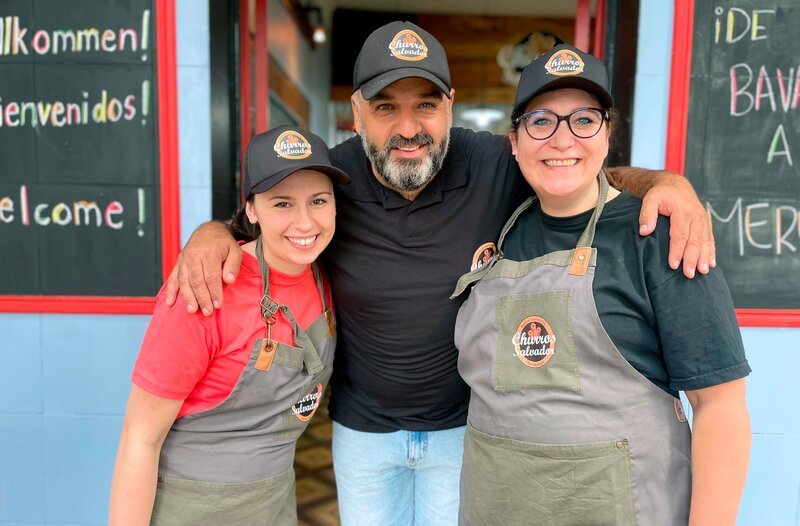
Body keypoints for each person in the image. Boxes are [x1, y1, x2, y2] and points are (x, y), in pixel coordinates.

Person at [164, 22, 717, 525]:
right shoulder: (330, 179)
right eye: (385, 108)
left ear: (449, 106)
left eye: (425, 105)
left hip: (464, 430)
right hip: (361, 431)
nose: (409, 128)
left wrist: (670, 184)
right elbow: (257, 223)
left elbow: (583, 169)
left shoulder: (498, 163)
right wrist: (206, 236)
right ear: (357, 114)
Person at [451, 44, 751, 525]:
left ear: (607, 133)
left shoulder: (659, 235)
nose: (562, 140)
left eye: (584, 120)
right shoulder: (497, 225)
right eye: (541, 121)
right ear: (514, 140)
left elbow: (720, 405)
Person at [109, 126, 350, 525]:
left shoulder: (326, 274)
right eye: (282, 204)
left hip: (276, 503)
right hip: (194, 507)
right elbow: (140, 439)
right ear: (251, 210)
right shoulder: (202, 292)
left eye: (318, 201)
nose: (305, 223)